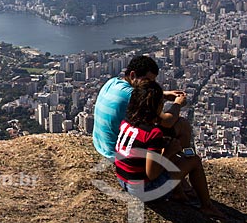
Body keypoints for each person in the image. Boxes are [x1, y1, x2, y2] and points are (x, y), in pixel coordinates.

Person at [115, 80, 226, 219]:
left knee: (166, 147)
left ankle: (178, 192)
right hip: (144, 191)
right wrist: (169, 152)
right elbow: (152, 174)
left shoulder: (127, 122)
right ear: (157, 108)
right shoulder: (152, 133)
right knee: (194, 161)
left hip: (123, 181)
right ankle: (207, 206)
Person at [93, 55, 190, 163]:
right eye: (147, 80)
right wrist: (177, 104)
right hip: (116, 154)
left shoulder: (112, 82)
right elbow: (168, 121)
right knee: (182, 124)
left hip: (101, 146)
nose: (150, 85)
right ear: (133, 75)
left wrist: (164, 95)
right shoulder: (132, 96)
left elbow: (136, 93)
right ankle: (184, 164)